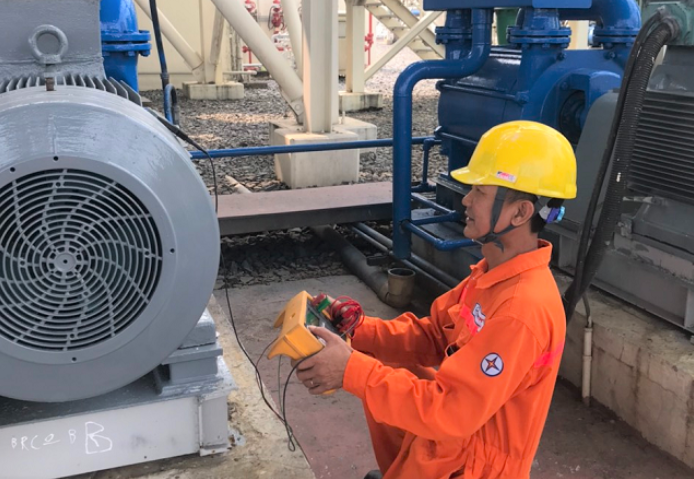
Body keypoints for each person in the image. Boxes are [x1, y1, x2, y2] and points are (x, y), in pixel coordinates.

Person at [295, 120, 577, 479]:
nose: (466, 200)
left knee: (375, 374)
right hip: (453, 450)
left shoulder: (522, 310)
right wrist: (357, 331)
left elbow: (453, 412)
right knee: (386, 362)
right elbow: (432, 336)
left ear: (520, 213)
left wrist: (351, 370)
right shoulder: (493, 274)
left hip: (473, 468)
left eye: (479, 191)